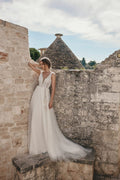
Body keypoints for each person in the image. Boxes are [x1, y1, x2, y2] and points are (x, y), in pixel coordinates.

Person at [27, 57, 91, 161]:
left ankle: (46, 143)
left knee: (45, 120)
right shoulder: (40, 72)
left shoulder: (52, 75)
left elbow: (53, 89)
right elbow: (29, 64)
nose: (42, 66)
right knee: (36, 119)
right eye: (41, 64)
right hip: (37, 96)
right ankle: (37, 145)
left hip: (45, 97)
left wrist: (51, 101)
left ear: (47, 64)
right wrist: (38, 65)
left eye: (43, 64)